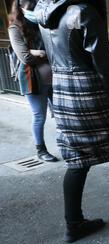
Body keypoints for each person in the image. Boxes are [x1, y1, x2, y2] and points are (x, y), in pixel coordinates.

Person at [34, 0, 109, 243]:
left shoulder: (43, 12)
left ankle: (73, 223)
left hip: (62, 90)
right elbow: (105, 66)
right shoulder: (83, 13)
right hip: (88, 90)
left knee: (77, 158)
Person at [8, 0, 57, 162]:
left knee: (61, 114)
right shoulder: (15, 28)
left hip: (54, 78)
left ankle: (69, 144)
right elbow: (25, 57)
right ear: (21, 6)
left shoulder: (43, 23)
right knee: (39, 116)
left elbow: (57, 50)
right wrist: (39, 53)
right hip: (32, 80)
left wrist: (39, 52)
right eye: (31, 6)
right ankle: (41, 150)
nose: (35, 8)